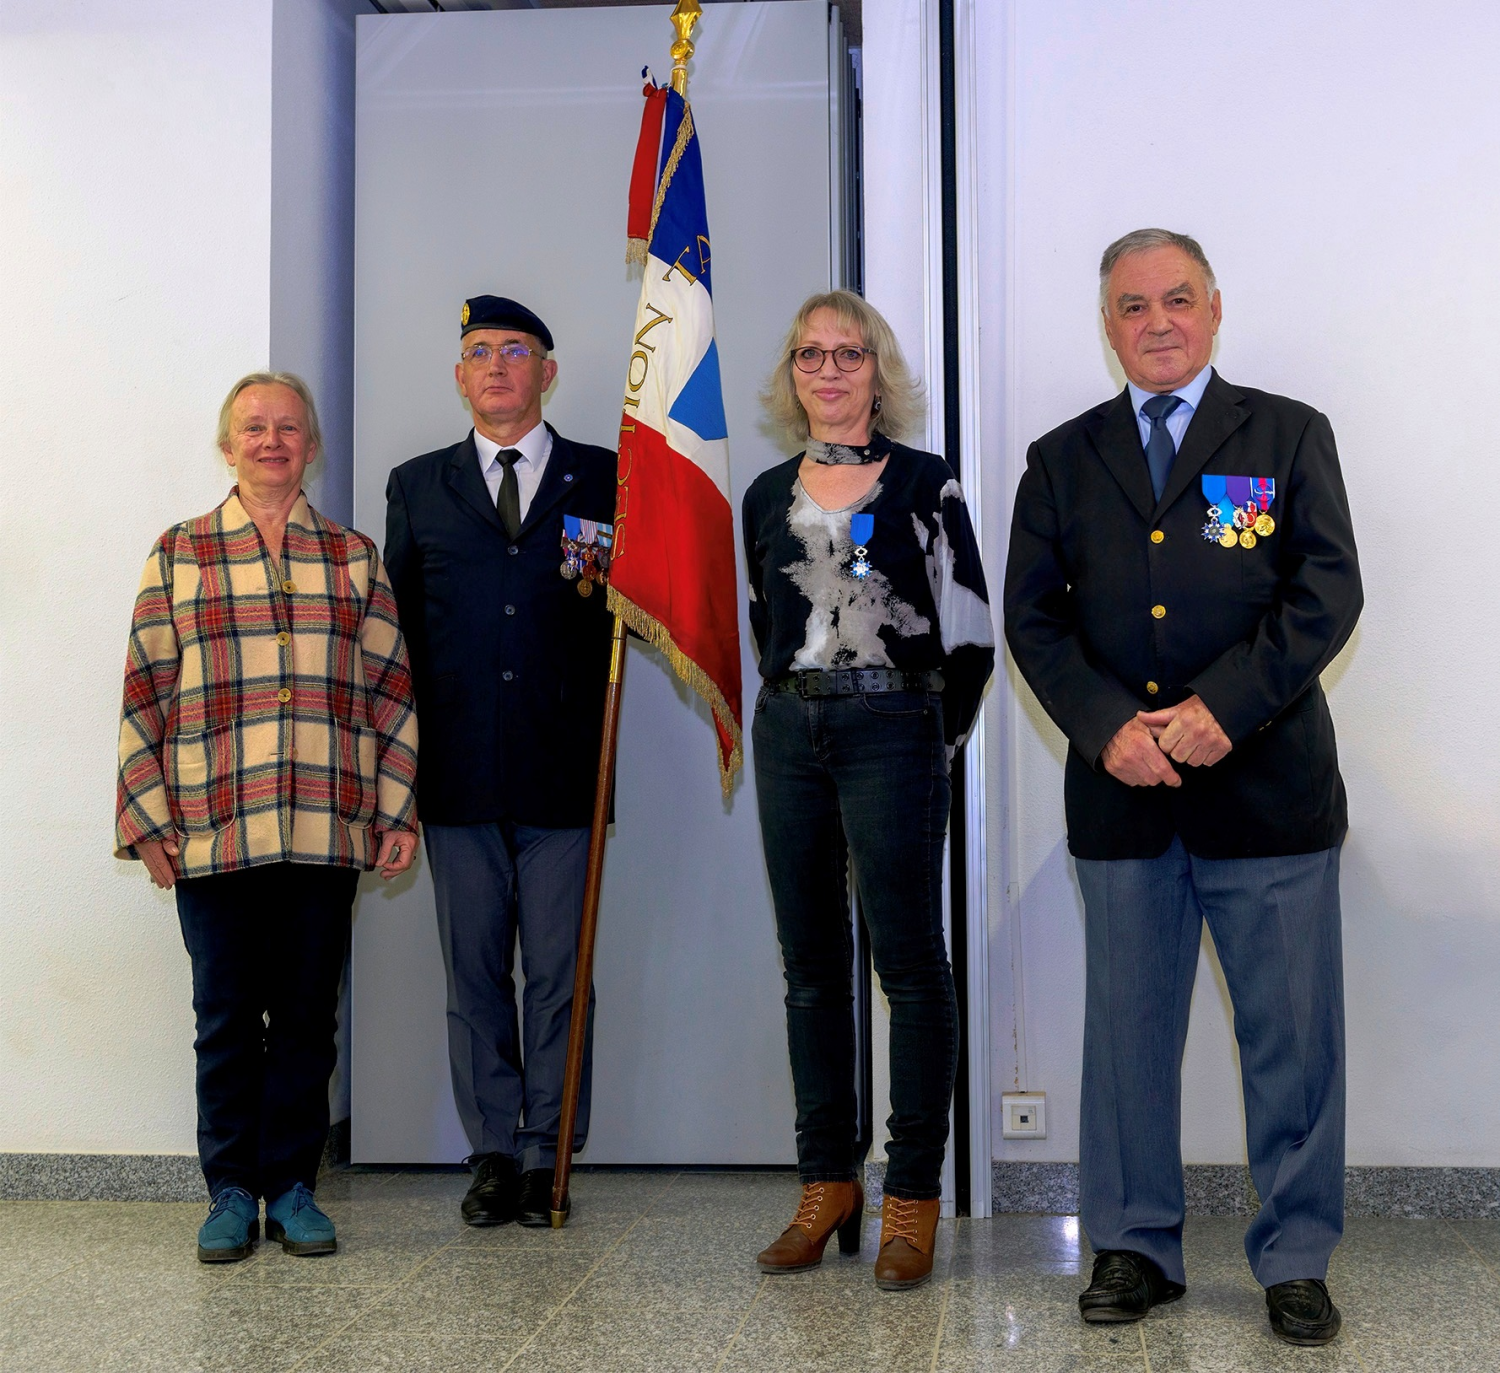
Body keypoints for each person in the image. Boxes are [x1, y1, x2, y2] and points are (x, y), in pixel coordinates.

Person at [1004, 229, 1362, 1346]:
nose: (1156, 321)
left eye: (1176, 299)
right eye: (1130, 305)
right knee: (1127, 1034)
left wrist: (1223, 709)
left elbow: (1326, 591)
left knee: (1293, 1040)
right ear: (1105, 323)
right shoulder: (1061, 458)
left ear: (1214, 310)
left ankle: (1295, 1255)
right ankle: (1134, 1244)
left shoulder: (1288, 433)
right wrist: (1111, 727)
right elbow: (1035, 617)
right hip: (1123, 796)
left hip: (1269, 792)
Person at [115, 371, 419, 1263]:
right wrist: (147, 820)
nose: (273, 441)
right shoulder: (180, 553)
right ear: (228, 445)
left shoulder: (354, 557)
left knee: (306, 1019)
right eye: (255, 427)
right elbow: (144, 692)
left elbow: (393, 693)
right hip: (213, 829)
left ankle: (291, 1186)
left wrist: (395, 808)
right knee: (223, 1017)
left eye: (290, 427)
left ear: (312, 447)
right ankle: (228, 1190)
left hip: (326, 827)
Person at [743, 289, 994, 1291]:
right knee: (809, 966)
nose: (831, 370)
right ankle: (825, 1183)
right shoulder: (763, 494)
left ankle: (912, 1199)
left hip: (896, 726)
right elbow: (767, 619)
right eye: (811, 353)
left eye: (850, 353)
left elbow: (970, 629)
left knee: (910, 965)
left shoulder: (929, 484)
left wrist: (933, 736)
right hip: (789, 731)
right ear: (793, 373)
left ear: (877, 372)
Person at [384, 295, 616, 1228]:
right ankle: (489, 1150)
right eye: (478, 352)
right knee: (474, 973)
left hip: (568, 770)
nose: (495, 367)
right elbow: (395, 634)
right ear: (459, 375)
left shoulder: (607, 478)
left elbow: (634, 608)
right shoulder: (418, 484)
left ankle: (546, 1150)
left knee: (562, 973)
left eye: (514, 351)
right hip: (458, 772)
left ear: (547, 372)